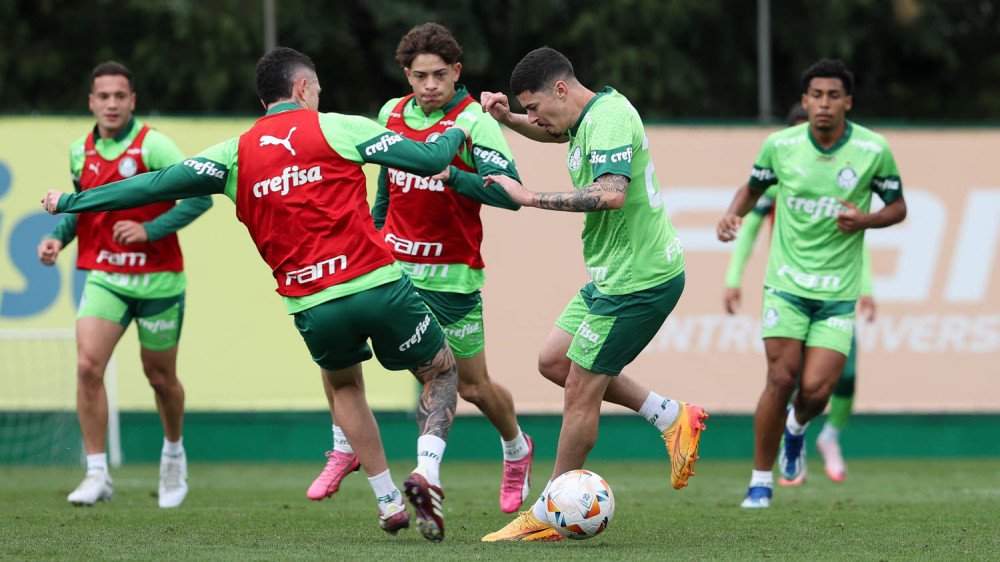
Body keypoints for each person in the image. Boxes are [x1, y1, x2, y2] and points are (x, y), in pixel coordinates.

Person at [42, 46, 475, 542]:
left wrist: (72, 200)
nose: (318, 97)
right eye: (316, 90)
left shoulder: (233, 154)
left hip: (312, 305)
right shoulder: (338, 126)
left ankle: (387, 501)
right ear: (301, 89)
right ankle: (427, 472)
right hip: (377, 284)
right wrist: (462, 124)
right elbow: (431, 158)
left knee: (344, 387)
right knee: (440, 369)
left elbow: (152, 186)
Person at [476, 47, 708, 542]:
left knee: (581, 388)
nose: (535, 117)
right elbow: (554, 130)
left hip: (640, 281)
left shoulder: (609, 119)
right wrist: (509, 119)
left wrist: (527, 196)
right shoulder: (585, 119)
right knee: (554, 361)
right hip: (612, 277)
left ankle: (549, 511)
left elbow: (610, 193)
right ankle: (671, 416)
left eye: (535, 105)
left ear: (561, 89)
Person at [306, 23, 535, 514]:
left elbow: (510, 193)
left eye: (438, 75)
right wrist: (372, 234)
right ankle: (350, 450)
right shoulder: (391, 113)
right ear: (406, 76)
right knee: (340, 342)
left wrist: (453, 174)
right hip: (393, 269)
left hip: (454, 275)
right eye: (419, 76)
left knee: (472, 384)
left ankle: (516, 448)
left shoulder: (475, 122)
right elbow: (387, 186)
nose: (429, 86)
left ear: (456, 72)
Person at [716, 59, 906, 509]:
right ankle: (760, 481)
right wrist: (733, 214)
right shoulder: (780, 146)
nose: (824, 103)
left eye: (833, 95)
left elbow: (898, 207)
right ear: (805, 101)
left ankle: (798, 430)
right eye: (816, 95)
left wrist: (867, 219)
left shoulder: (872, 150)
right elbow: (752, 188)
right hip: (786, 285)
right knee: (780, 377)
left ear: (848, 102)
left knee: (817, 390)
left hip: (838, 294)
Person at [37, 61, 212, 509]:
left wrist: (150, 231)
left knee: (160, 378)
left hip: (159, 283)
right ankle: (97, 472)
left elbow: (201, 196)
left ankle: (173, 453)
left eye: (120, 96)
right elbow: (82, 210)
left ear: (132, 101)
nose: (111, 103)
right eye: (103, 96)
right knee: (87, 367)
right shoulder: (80, 151)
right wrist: (57, 239)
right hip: (105, 279)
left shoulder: (153, 145)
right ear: (91, 102)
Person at [722, 104, 877, 484]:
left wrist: (867, 289)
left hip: (837, 289)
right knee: (787, 376)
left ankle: (827, 435)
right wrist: (733, 278)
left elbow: (856, 237)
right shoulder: (777, 180)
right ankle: (792, 443)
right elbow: (749, 229)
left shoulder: (841, 178)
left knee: (844, 378)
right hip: (791, 291)